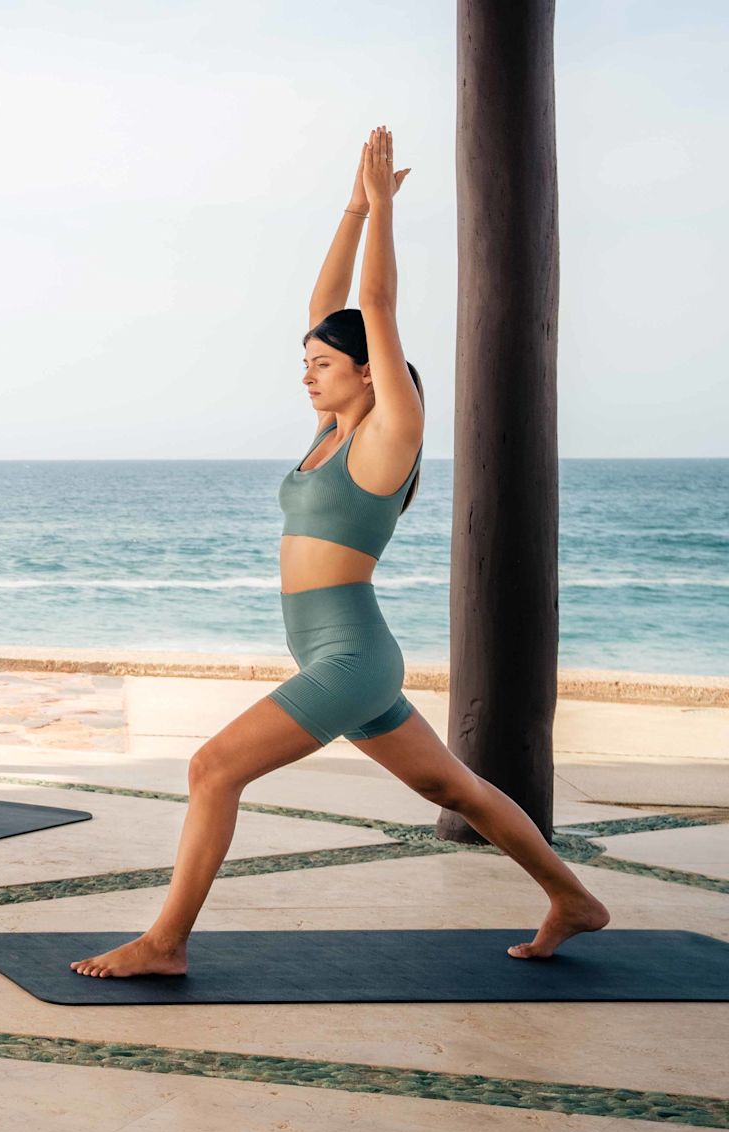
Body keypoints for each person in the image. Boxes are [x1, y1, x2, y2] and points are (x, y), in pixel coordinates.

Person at [72, 128, 608, 978]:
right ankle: (574, 899)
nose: (308, 374)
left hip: (351, 655)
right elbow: (329, 304)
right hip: (335, 649)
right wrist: (353, 206)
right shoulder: (332, 431)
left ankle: (165, 942)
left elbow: (375, 311)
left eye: (324, 364)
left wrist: (387, 214)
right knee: (454, 789)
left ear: (368, 372)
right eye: (307, 363)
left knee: (213, 768)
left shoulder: (391, 435)